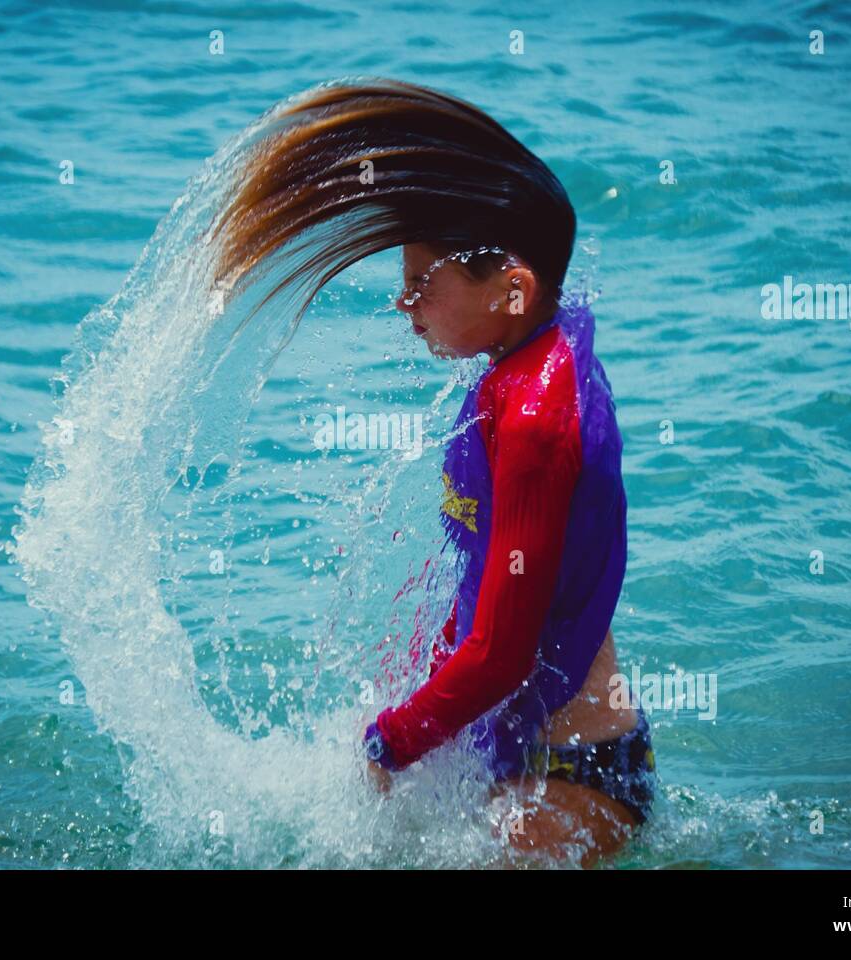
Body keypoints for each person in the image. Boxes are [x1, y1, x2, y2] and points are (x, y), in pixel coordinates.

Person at [212, 78, 655, 866]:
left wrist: (387, 743)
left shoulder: (535, 414)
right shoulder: (526, 357)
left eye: (422, 282)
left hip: (573, 775)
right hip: (525, 753)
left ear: (513, 289)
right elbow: (498, 585)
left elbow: (505, 654)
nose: (403, 304)